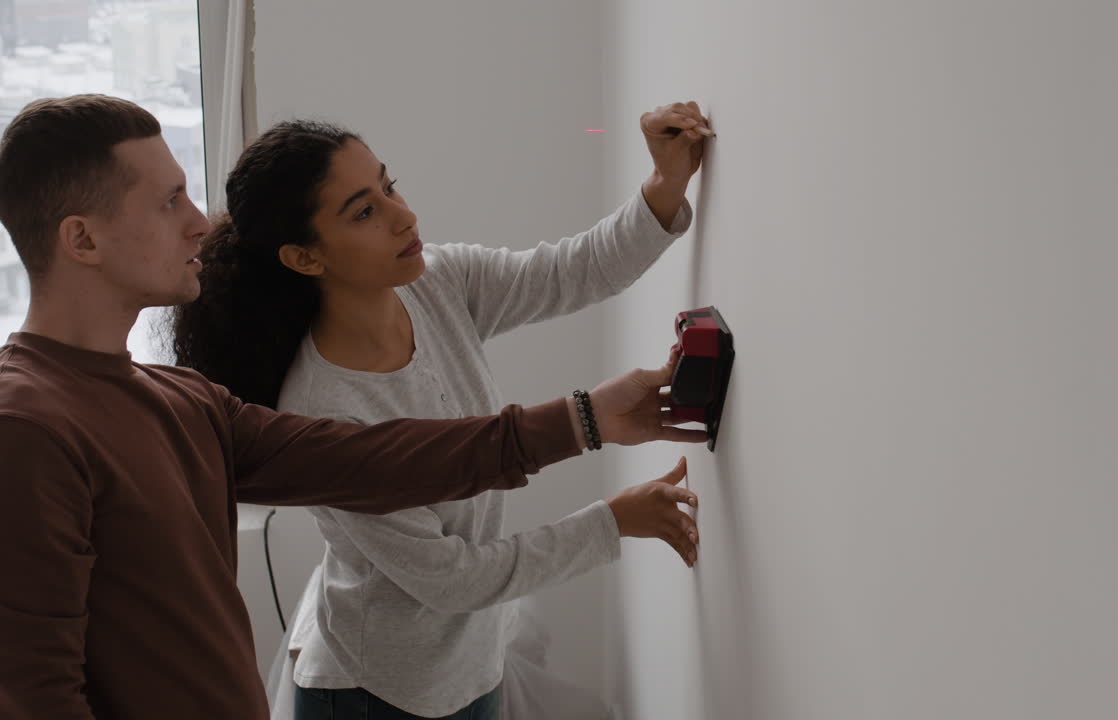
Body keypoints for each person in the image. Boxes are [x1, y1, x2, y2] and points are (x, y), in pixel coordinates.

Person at [0, 94, 704, 720]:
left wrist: (587, 419)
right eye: (168, 202)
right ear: (81, 239)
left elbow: (376, 461)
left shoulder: (179, 401)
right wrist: (601, 482)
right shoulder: (28, 426)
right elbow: (33, 686)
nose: (197, 225)